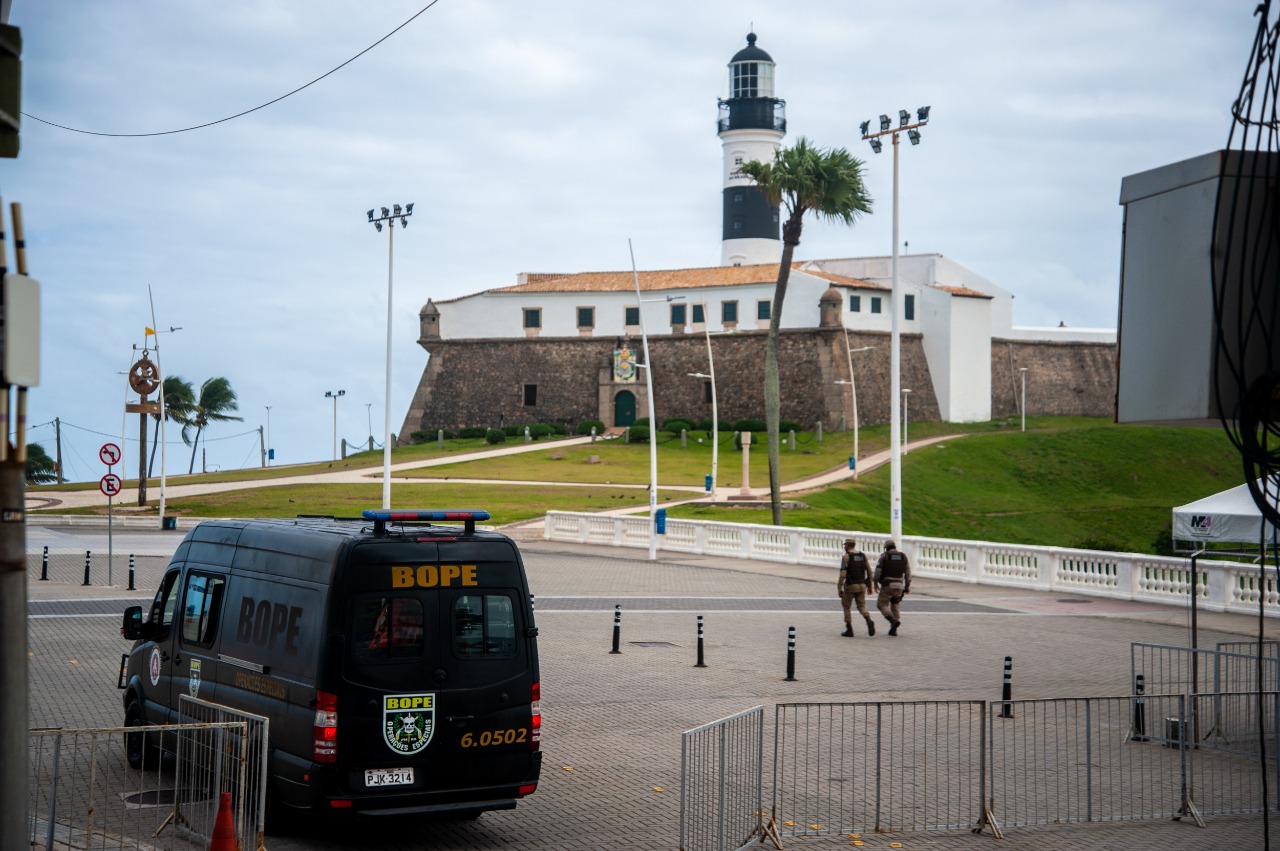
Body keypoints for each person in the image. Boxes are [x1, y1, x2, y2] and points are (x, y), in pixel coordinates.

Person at [836, 538, 876, 637]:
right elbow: (870, 572)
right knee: (861, 606)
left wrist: (839, 588)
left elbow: (842, 574)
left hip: (850, 586)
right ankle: (869, 620)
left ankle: (849, 629)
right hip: (862, 585)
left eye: (845, 545)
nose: (844, 547)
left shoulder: (846, 557)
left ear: (848, 545)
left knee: (846, 606)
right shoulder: (862, 556)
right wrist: (870, 586)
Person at [874, 540, 911, 636]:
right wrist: (907, 587)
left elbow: (878, 571)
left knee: (881, 604)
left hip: (887, 585)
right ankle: (893, 630)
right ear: (894, 546)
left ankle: (892, 620)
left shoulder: (884, 556)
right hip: (899, 586)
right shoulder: (903, 556)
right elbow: (908, 573)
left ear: (886, 548)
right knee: (895, 605)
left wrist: (875, 582)